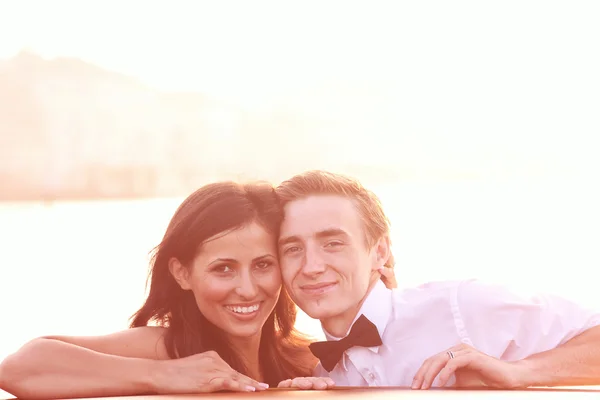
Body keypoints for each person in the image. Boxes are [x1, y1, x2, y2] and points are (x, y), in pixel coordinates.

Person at [0, 181, 339, 399]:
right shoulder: (165, 348)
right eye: (223, 269)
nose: (247, 289)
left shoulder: (305, 355)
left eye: (263, 265)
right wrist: (164, 375)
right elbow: (19, 368)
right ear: (181, 273)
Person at [274, 170, 600, 390]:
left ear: (379, 251)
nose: (311, 266)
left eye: (333, 243)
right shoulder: (320, 378)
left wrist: (520, 372)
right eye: (292, 248)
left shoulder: (461, 305)